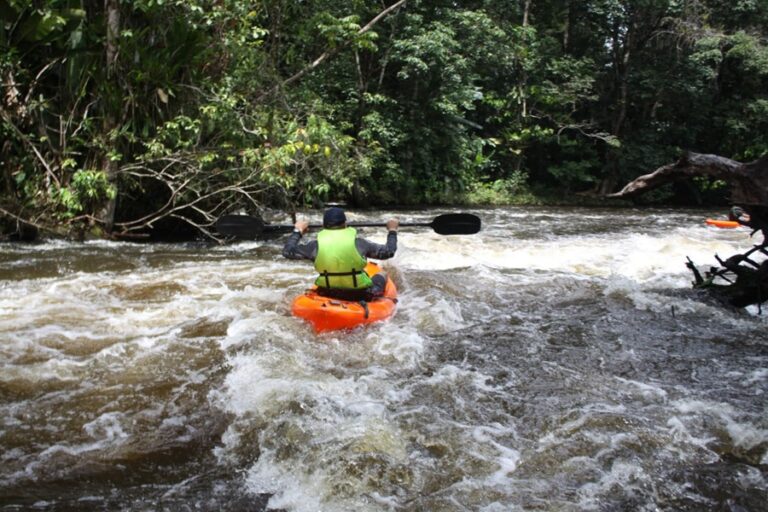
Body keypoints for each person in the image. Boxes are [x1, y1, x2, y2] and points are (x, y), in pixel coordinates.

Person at [282, 207, 399, 300]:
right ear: (345, 224)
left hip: (327, 292)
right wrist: (392, 230)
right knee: (382, 274)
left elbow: (287, 251)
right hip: (359, 294)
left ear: (323, 226)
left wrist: (298, 231)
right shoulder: (359, 243)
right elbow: (389, 251)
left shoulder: (314, 246)